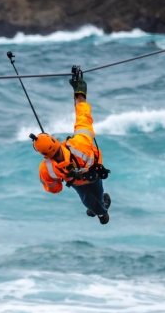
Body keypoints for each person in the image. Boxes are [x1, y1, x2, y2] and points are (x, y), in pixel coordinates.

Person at [33, 73, 111, 224]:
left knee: (88, 199)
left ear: (43, 154)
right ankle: (102, 213)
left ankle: (101, 213)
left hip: (77, 183)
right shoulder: (79, 142)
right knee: (97, 193)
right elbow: (83, 116)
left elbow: (55, 188)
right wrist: (79, 92)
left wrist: (59, 180)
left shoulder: (46, 168)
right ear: (55, 141)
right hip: (94, 174)